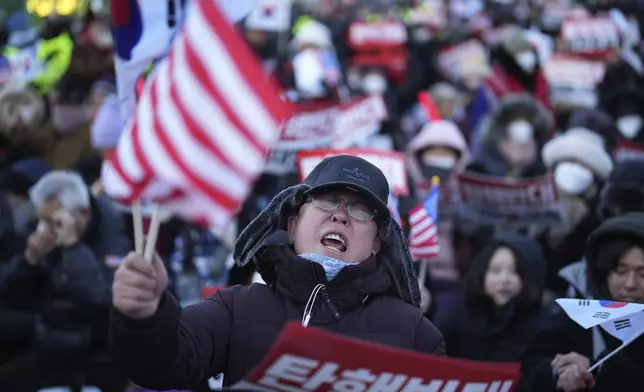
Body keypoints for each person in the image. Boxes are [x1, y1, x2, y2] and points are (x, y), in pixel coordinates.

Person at [110, 155, 445, 391]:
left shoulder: (415, 333)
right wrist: (144, 317)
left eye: (360, 210)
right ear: (293, 225)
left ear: (376, 244)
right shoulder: (237, 309)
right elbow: (161, 366)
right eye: (327, 201)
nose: (341, 217)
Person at [0, 171, 130, 391]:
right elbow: (13, 298)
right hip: (48, 349)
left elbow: (100, 299)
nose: (46, 228)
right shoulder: (43, 232)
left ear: (84, 213)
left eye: (54, 221)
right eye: (42, 219)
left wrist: (72, 247)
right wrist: (28, 261)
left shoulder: (112, 239)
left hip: (96, 358)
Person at [518, 212, 644, 392]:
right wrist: (559, 373)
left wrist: (600, 370)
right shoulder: (577, 316)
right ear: (603, 273)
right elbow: (532, 368)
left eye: (642, 274)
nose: (630, 284)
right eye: (620, 271)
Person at [436, 233, 546, 362]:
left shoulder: (543, 326)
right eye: (496, 270)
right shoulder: (456, 314)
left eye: (514, 271)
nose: (504, 279)